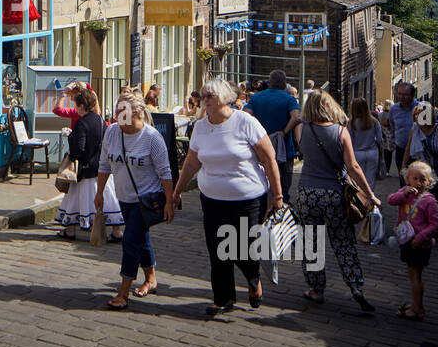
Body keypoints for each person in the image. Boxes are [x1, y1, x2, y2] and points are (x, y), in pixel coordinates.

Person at [177, 77, 283, 315]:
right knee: (217, 249)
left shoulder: (246, 122)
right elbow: (191, 162)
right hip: (212, 199)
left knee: (243, 248)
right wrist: (177, 192)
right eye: (203, 96)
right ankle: (223, 298)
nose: (204, 100)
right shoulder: (201, 127)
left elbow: (268, 159)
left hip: (248, 199)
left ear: (225, 98)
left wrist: (277, 196)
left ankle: (253, 277)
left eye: (209, 96)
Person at [294, 90, 380, 312]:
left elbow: (305, 153)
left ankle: (316, 289)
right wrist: (369, 194)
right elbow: (353, 166)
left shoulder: (301, 129)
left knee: (311, 243)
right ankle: (355, 286)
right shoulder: (342, 132)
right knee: (343, 242)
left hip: (307, 192)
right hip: (334, 193)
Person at [99, 94, 174, 310]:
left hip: (146, 199)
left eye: (123, 112)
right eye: (116, 111)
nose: (117, 116)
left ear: (138, 113)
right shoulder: (112, 132)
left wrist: (169, 202)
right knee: (141, 238)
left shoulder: (152, 138)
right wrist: (99, 193)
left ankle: (123, 293)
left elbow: (165, 172)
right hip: (124, 197)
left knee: (130, 240)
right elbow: (104, 164)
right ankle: (151, 278)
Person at [55, 88, 123, 242]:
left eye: (76, 105)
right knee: (109, 198)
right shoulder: (100, 120)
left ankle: (71, 230)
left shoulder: (81, 123)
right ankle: (116, 230)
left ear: (81, 106)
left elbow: (78, 151)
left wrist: (70, 136)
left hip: (86, 170)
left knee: (74, 197)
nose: (76, 109)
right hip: (102, 168)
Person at [387, 160, 438, 321]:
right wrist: (404, 194)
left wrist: (421, 237)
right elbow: (391, 200)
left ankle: (417, 309)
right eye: (415, 179)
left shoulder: (430, 201)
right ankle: (418, 305)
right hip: (407, 241)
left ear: (429, 181)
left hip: (419, 244)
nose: (418, 183)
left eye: (422, 179)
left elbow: (436, 224)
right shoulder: (406, 193)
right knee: (413, 275)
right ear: (408, 179)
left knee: (416, 276)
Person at [243, 69, 301, 203]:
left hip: (260, 148)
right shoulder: (289, 99)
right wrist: (285, 131)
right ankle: (281, 211)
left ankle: (263, 211)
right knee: (283, 185)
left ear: (269, 82)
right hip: (284, 149)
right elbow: (296, 117)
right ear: (284, 84)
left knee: (261, 180)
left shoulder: (256, 98)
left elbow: (246, 115)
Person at [402, 103, 438, 209]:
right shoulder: (415, 130)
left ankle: (433, 224)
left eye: (422, 115)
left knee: (434, 204)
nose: (419, 117)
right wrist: (403, 166)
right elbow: (408, 149)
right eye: (417, 115)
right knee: (423, 204)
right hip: (423, 175)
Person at [348, 97, 385, 192]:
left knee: (358, 179)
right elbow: (380, 139)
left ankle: (360, 200)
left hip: (357, 153)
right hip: (372, 152)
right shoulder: (374, 122)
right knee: (370, 179)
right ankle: (369, 202)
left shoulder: (351, 123)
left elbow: (349, 141)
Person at [388, 83, 421, 180]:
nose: (402, 97)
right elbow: (392, 125)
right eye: (399, 94)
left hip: (417, 150)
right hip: (401, 149)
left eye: (405, 95)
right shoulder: (394, 110)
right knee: (403, 178)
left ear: (412, 95)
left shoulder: (420, 108)